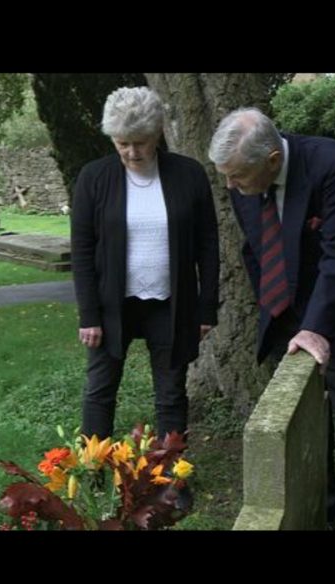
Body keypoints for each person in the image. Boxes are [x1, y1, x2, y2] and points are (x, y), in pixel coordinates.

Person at [208, 107, 335, 530]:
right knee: (309, 426)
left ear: (273, 161)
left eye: (237, 176)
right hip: (294, 313)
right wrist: (282, 315)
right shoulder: (242, 175)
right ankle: (324, 507)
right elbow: (259, 247)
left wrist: (316, 325)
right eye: (225, 176)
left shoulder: (332, 164)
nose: (230, 186)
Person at [72, 86, 219, 452]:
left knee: (170, 394)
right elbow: (82, 250)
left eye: (140, 142)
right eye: (122, 143)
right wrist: (89, 315)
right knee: (99, 391)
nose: (131, 152)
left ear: (157, 134)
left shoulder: (189, 174)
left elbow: (208, 246)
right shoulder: (93, 178)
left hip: (171, 303)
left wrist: (205, 309)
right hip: (110, 306)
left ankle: (169, 479)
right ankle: (93, 474)